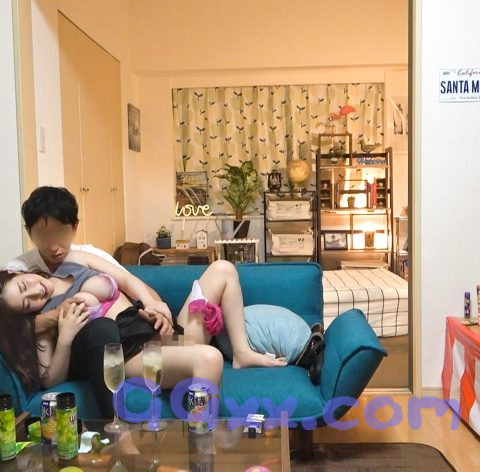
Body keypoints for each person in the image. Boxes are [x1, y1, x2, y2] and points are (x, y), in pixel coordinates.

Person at [0, 252, 287, 416]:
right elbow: (51, 378)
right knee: (210, 359)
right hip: (132, 355)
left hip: (160, 331)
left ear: (18, 273)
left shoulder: (74, 260)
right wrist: (65, 335)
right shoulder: (44, 319)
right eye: (27, 303)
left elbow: (126, 278)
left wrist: (152, 306)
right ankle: (200, 445)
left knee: (223, 268)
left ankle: (242, 353)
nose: (35, 293)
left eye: (25, 285)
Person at [4, 186, 168, 335]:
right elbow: (8, 329)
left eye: (61, 233)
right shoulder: (18, 271)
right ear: (30, 233)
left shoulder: (85, 255)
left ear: (74, 228)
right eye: (43, 236)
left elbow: (131, 283)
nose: (54, 247)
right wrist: (56, 315)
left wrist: (156, 311)